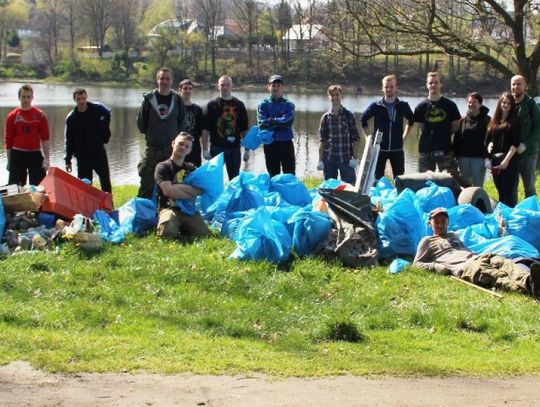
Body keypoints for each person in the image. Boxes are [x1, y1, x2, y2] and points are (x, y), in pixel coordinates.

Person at [413, 207, 540, 297]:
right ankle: (529, 285)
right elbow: (417, 264)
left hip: (479, 257)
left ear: (448, 222)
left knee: (507, 264)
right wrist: (435, 266)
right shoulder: (427, 241)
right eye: (436, 222)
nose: (440, 225)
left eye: (443, 221)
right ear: (430, 223)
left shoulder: (453, 236)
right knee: (496, 276)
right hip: (466, 267)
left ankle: (530, 278)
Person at [136, 67, 186, 198]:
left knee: (170, 182)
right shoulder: (149, 99)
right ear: (157, 80)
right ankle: (143, 211)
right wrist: (152, 133)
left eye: (167, 78)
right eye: (162, 78)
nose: (164, 81)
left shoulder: (177, 100)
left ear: (172, 81)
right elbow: (141, 123)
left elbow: (182, 123)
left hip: (171, 149)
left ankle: (168, 211)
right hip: (152, 147)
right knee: (147, 180)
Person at [154, 132, 211, 239]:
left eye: (187, 146)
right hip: (169, 208)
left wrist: (177, 187)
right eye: (180, 144)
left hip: (188, 210)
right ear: (173, 143)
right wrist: (191, 193)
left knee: (205, 235)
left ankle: (183, 227)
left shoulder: (192, 169)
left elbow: (201, 190)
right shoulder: (162, 167)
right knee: (167, 233)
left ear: (189, 150)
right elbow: (168, 191)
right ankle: (177, 226)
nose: (183, 147)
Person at [361, 75, 414, 180]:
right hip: (380, 149)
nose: (389, 89)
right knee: (378, 179)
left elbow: (411, 120)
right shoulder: (375, 105)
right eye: (386, 87)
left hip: (397, 149)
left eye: (391, 86)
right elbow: (363, 120)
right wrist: (369, 139)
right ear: (382, 88)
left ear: (396, 87)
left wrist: (404, 136)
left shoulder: (403, 105)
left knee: (399, 180)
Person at [413, 72, 461, 178]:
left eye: (436, 82)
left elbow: (455, 127)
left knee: (451, 178)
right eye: (430, 83)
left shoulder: (450, 105)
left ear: (440, 84)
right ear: (427, 85)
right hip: (426, 149)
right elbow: (421, 127)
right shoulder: (420, 107)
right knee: (424, 180)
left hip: (445, 148)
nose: (433, 85)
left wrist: (443, 134)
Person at [201, 75, 249, 181]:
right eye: (222, 85)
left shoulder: (239, 105)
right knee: (214, 179)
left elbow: (244, 129)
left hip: (234, 149)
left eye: (228, 85)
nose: (225, 87)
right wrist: (204, 149)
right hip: (217, 148)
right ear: (218, 86)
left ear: (232, 86)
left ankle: (233, 197)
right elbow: (205, 129)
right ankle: (215, 198)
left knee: (234, 179)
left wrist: (247, 150)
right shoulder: (211, 105)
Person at [64, 87, 112, 193]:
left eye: (83, 98)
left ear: (86, 98)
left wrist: (105, 134)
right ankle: (86, 209)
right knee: (84, 185)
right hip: (82, 156)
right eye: (78, 99)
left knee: (105, 181)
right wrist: (67, 159)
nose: (81, 101)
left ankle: (109, 207)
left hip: (98, 152)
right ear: (74, 100)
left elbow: (108, 113)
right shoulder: (71, 118)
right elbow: (69, 140)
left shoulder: (98, 109)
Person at [3, 84, 50, 186]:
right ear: (19, 97)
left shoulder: (40, 115)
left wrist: (47, 158)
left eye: (28, 97)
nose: (26, 100)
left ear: (32, 97)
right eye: (23, 97)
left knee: (40, 187)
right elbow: (8, 140)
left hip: (35, 154)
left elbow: (45, 138)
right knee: (15, 188)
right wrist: (9, 160)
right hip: (17, 154)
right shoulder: (12, 116)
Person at [317, 85, 360, 184]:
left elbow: (356, 138)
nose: (335, 97)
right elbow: (322, 140)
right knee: (330, 189)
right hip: (329, 159)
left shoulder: (349, 115)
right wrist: (320, 160)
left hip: (346, 159)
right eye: (332, 95)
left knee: (350, 188)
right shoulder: (325, 117)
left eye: (337, 95)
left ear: (341, 96)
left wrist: (355, 157)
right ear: (329, 97)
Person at [485, 92, 521, 207]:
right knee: (500, 191)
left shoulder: (515, 121)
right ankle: (502, 219)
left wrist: (506, 161)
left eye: (509, 103)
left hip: (509, 162)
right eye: (504, 102)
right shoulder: (494, 121)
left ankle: (510, 219)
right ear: (500, 103)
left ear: (512, 106)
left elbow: (515, 143)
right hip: (495, 162)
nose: (505, 105)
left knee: (508, 193)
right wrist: (488, 157)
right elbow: (487, 141)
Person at [257, 75, 296, 177]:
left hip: (286, 143)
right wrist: (280, 121)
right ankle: (275, 193)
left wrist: (272, 120)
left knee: (290, 175)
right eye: (273, 85)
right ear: (269, 87)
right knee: (273, 175)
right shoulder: (263, 105)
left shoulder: (289, 104)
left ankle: (289, 193)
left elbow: (288, 122)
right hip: (270, 144)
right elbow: (262, 124)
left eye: (278, 85)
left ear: (282, 87)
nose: (276, 88)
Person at [510, 75, 540, 198]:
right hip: (510, 154)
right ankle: (514, 213)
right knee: (511, 187)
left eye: (519, 84)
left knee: (529, 188)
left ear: (525, 86)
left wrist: (526, 144)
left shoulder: (531, 104)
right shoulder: (507, 103)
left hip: (528, 154)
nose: (516, 87)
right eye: (513, 84)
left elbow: (538, 128)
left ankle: (532, 213)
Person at [452, 92, 490, 187]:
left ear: (480, 104)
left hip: (479, 158)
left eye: (474, 102)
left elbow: (490, 140)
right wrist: (454, 154)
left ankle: (478, 202)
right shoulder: (462, 120)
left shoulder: (488, 120)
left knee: (478, 185)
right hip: (463, 158)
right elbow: (457, 139)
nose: (471, 104)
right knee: (465, 185)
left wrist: (489, 157)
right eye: (469, 102)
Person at [179, 79, 204, 167]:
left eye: (190, 88)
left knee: (194, 174)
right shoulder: (175, 108)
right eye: (185, 88)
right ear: (180, 90)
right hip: (178, 148)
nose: (188, 91)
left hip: (194, 149)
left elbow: (201, 132)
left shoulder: (198, 110)